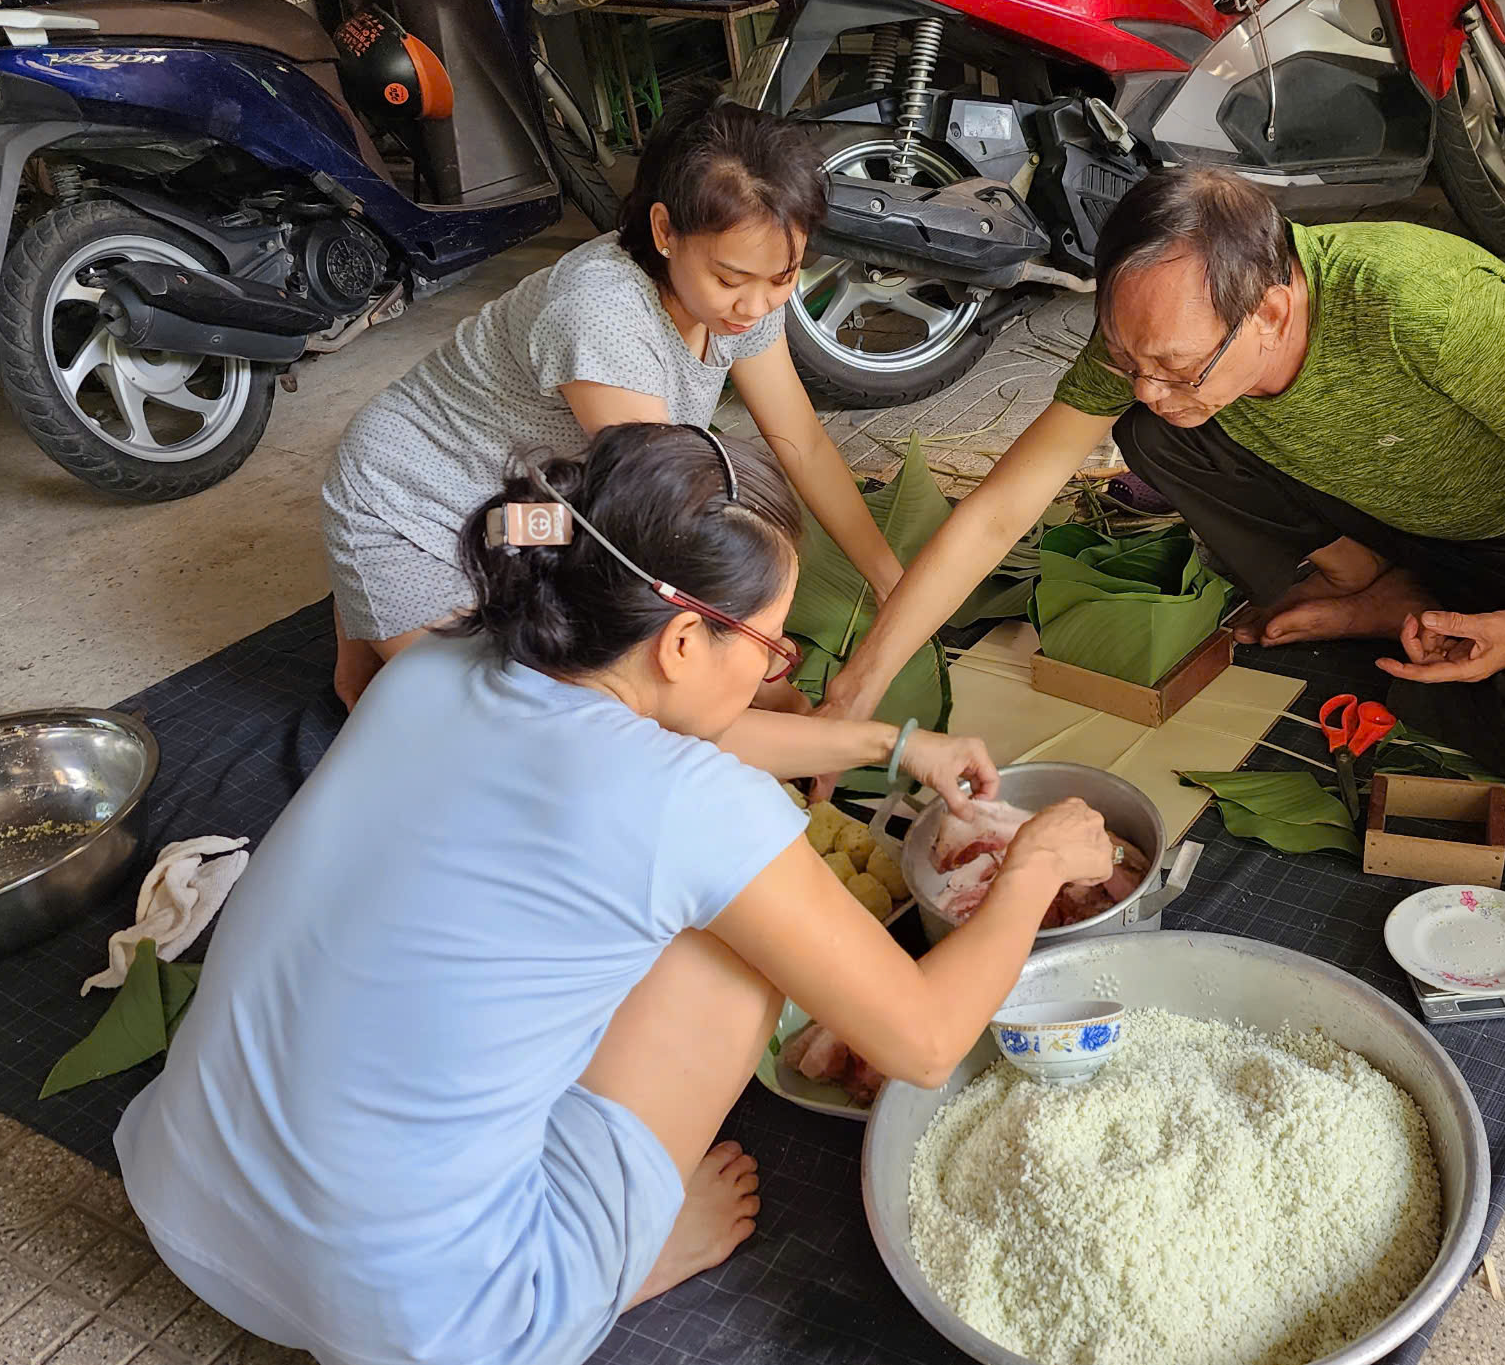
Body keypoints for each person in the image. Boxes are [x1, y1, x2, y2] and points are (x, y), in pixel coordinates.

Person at [119, 425, 1115, 1365]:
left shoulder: (428, 671)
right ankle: (619, 1257)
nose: (779, 667)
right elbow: (926, 1039)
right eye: (772, 646)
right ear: (682, 642)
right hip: (433, 1321)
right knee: (740, 949)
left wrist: (887, 744)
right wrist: (1030, 865)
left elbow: (662, 735)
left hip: (187, 1210)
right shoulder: (695, 807)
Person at [818, 168, 1505, 808]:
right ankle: (1374, 590)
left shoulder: (1419, 307)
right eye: (1126, 358)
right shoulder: (1154, 333)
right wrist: (856, 688)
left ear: (1273, 310)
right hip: (1370, 507)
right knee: (1152, 432)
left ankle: (1401, 610)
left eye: (1179, 365)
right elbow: (1003, 507)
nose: (1148, 380)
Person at [322, 99, 905, 708]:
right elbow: (654, 525)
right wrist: (766, 675)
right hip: (418, 500)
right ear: (664, 231)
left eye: (782, 277)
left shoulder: (744, 296)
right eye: (731, 280)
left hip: (529, 513)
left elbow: (802, 444)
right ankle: (374, 581)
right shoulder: (602, 315)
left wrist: (892, 584)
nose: (757, 306)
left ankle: (378, 621)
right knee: (514, 717)